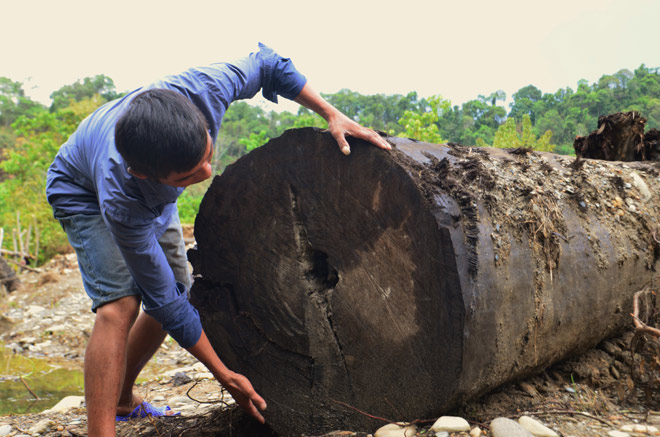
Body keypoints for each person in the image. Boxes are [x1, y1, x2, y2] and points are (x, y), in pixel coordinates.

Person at [45, 43, 391, 436]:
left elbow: (269, 63)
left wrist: (331, 113)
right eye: (189, 177)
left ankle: (123, 398)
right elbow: (163, 300)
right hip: (80, 189)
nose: (208, 173)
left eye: (208, 154)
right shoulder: (124, 197)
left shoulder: (205, 89)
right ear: (147, 175)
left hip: (153, 193)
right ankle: (100, 431)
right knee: (120, 305)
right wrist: (223, 374)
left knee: (177, 289)